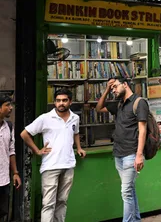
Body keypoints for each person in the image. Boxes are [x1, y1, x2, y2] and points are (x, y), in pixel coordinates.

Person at [21, 89, 86, 222]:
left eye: (64, 100)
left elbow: (76, 132)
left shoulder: (75, 118)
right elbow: (24, 134)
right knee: (48, 204)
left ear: (70, 102)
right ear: (54, 102)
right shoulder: (45, 118)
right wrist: (37, 151)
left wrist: (79, 148)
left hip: (68, 165)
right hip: (50, 166)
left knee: (62, 201)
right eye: (58, 100)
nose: (61, 103)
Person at [96, 78, 149, 222]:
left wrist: (139, 155)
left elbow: (142, 130)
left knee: (126, 192)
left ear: (125, 84)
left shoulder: (139, 102)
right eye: (111, 88)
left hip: (131, 154)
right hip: (118, 154)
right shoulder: (118, 104)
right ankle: (135, 219)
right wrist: (106, 89)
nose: (113, 90)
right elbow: (99, 108)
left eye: (115, 87)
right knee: (129, 190)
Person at [0, 95, 21, 221]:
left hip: (4, 180)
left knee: (2, 212)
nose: (11, 108)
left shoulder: (9, 126)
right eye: (7, 105)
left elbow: (11, 151)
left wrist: (15, 173)